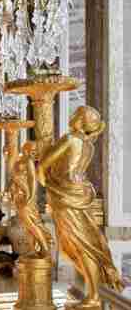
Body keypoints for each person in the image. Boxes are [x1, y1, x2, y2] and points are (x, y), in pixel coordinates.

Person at [32, 106, 124, 306]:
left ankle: (94, 296)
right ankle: (94, 293)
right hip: (81, 193)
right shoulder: (88, 144)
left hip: (65, 197)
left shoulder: (70, 139)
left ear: (80, 120)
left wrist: (49, 189)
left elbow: (43, 166)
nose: (71, 116)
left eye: (75, 114)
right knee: (86, 245)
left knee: (78, 247)